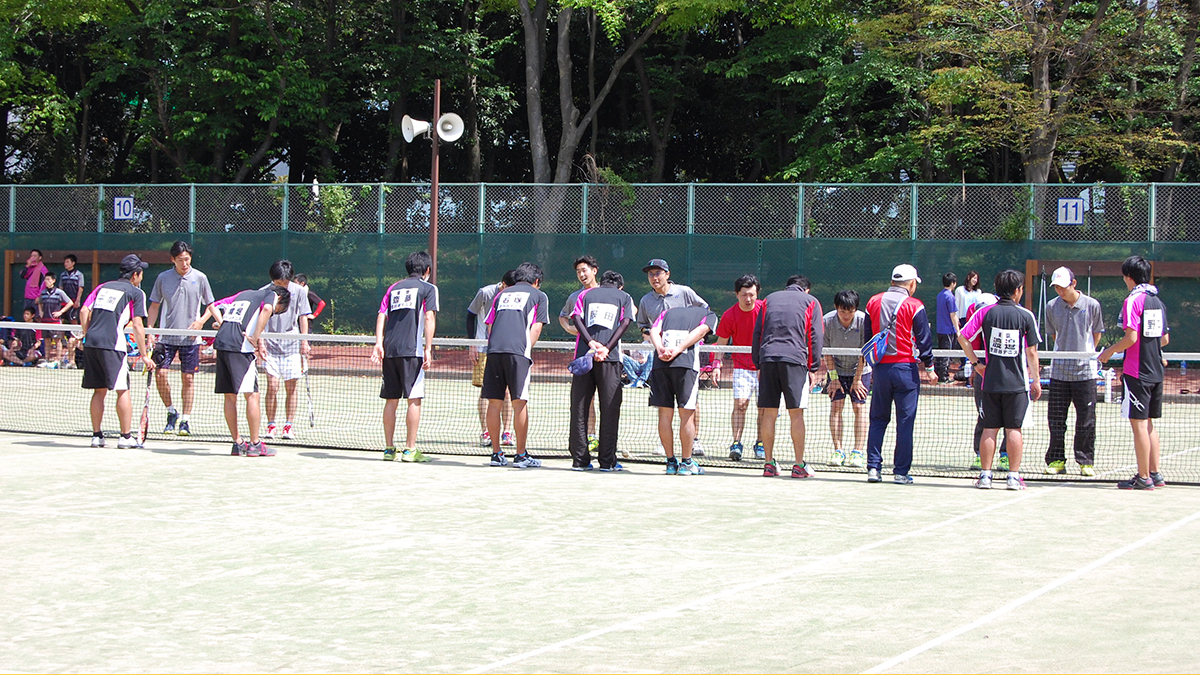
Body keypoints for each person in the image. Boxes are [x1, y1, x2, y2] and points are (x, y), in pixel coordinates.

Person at [958, 269, 1042, 490]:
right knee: (1014, 429)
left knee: (990, 428)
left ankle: (985, 477)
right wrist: (1036, 379)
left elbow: (962, 336)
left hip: (990, 382)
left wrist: (976, 364)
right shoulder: (1026, 315)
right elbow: (1032, 351)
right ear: (1017, 291)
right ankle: (1013, 477)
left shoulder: (985, 313)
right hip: (1017, 384)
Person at [1099, 255, 1169, 491]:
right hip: (1156, 370)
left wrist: (1108, 352)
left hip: (1137, 372)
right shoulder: (1158, 301)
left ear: (1127, 277)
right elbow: (1164, 339)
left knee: (1138, 424)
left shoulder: (1133, 301)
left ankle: (1142, 477)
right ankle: (1154, 474)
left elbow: (1131, 338)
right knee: (1148, 423)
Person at [863, 264, 937, 484]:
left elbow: (868, 337)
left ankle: (873, 469)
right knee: (905, 422)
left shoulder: (873, 302)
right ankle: (901, 472)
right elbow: (924, 340)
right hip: (906, 369)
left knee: (877, 419)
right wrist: (931, 369)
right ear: (912, 284)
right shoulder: (915, 305)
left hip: (881, 370)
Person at [79, 254, 154, 449]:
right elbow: (138, 325)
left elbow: (84, 311)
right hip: (113, 344)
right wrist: (144, 355)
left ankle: (96, 436)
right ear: (136, 275)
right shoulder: (136, 293)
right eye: (141, 273)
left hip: (92, 343)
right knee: (122, 390)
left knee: (99, 390)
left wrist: (88, 335)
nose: (142, 277)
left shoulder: (102, 287)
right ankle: (125, 437)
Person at [636, 258, 710, 456]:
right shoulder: (646, 301)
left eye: (658, 273)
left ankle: (694, 440)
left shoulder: (684, 292)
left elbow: (704, 311)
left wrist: (689, 336)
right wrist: (655, 339)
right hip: (661, 356)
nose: (654, 278)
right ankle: (665, 445)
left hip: (686, 355)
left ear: (667, 274)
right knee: (664, 405)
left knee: (691, 403)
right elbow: (642, 324)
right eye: (651, 274)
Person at [752, 275, 823, 479]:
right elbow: (815, 335)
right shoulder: (811, 302)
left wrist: (759, 363)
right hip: (795, 361)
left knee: (769, 413)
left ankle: (768, 464)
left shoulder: (769, 299)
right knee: (796, 414)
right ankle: (799, 465)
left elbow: (758, 332)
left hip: (768, 360)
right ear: (806, 289)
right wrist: (813, 366)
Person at [371, 251, 439, 462]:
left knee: (391, 400)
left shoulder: (393, 288)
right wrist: (428, 347)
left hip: (390, 350)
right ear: (427, 270)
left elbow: (382, 314)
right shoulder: (428, 288)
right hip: (412, 350)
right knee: (414, 399)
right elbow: (429, 317)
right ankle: (410, 450)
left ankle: (389, 449)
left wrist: (378, 343)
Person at [481, 262, 550, 468]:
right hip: (518, 353)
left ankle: (496, 454)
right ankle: (520, 456)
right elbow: (536, 328)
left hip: (494, 352)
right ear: (536, 281)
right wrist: (525, 350)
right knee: (519, 402)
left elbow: (490, 325)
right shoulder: (540, 296)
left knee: (494, 402)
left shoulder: (501, 295)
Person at [147, 241, 217, 436]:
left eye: (187, 259)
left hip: (191, 339)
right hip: (166, 337)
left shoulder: (200, 277)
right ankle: (171, 412)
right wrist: (150, 331)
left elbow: (211, 305)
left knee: (188, 378)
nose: (184, 263)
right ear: (172, 260)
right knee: (161, 375)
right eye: (180, 260)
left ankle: (185, 420)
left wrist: (201, 322)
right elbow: (154, 306)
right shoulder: (163, 278)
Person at [568, 270, 635, 471]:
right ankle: (607, 461)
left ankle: (580, 461)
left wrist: (591, 343)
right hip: (611, 359)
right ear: (620, 286)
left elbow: (576, 319)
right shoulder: (625, 297)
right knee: (610, 409)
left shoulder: (585, 294)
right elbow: (625, 323)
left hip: (583, 357)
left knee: (579, 410)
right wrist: (606, 348)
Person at [213, 284, 290, 457]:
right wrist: (256, 336)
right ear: (281, 300)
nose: (274, 313)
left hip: (222, 343)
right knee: (252, 395)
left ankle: (237, 443)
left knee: (230, 396)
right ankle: (255, 444)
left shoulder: (244, 293)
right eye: (279, 311)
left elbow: (214, 305)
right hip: (240, 348)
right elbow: (268, 308)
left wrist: (223, 324)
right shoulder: (271, 295)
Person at [1044, 266, 1105, 477]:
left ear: (1074, 284)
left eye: (1063, 287)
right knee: (1056, 419)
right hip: (1059, 372)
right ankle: (1056, 460)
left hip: (1085, 373)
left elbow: (1096, 334)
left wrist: (1085, 354)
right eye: (1057, 288)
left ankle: (1085, 461)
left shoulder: (1092, 305)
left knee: (1086, 420)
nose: (1060, 292)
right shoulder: (1051, 306)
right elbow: (1055, 336)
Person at [648, 303, 718, 475]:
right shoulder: (709, 314)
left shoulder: (666, 313)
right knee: (687, 415)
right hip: (686, 366)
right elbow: (701, 331)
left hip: (660, 364)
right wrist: (678, 350)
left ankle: (671, 463)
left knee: (665, 414)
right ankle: (686, 463)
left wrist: (661, 350)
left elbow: (653, 331)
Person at [713, 274, 766, 461]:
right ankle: (736, 443)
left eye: (752, 294)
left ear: (757, 294)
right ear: (736, 294)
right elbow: (721, 343)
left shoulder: (765, 311)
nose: (748, 299)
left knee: (764, 407)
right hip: (741, 367)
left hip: (763, 367)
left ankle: (761, 443)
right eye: (744, 294)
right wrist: (716, 366)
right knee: (740, 405)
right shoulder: (729, 315)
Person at [260, 260, 312, 440]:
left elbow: (304, 316)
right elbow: (259, 319)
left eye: (284, 282)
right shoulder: (263, 292)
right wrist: (260, 342)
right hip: (270, 345)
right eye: (277, 282)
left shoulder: (299, 291)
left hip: (291, 345)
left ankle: (288, 426)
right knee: (272, 387)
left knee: (291, 388)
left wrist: (304, 341)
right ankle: (271, 425)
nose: (280, 285)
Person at [467, 271, 515, 446]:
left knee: (507, 391)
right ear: (502, 284)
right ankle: (485, 432)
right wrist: (472, 344)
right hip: (483, 348)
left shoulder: (514, 297)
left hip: (504, 349)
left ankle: (507, 432)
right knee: (485, 392)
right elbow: (470, 315)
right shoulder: (485, 293)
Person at [823, 289, 870, 468]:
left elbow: (863, 354)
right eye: (842, 311)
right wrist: (834, 379)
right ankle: (838, 450)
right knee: (836, 406)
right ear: (836, 308)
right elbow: (826, 353)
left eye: (850, 311)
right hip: (836, 368)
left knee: (859, 407)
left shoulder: (864, 321)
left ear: (856, 309)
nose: (846, 315)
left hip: (860, 370)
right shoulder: (827, 321)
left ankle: (857, 452)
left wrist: (857, 380)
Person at [559, 255, 601, 452]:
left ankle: (606, 440)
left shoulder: (607, 293)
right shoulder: (574, 297)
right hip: (583, 354)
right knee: (585, 398)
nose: (582, 275)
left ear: (594, 270)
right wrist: (570, 329)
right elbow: (563, 316)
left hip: (606, 353)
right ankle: (588, 436)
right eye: (578, 272)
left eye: (584, 270)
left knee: (607, 397)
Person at [964, 292, 1009, 469]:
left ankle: (1005, 456)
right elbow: (968, 341)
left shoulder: (1005, 318)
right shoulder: (975, 316)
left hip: (1004, 376)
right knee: (984, 416)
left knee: (1009, 419)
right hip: (983, 374)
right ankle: (979, 455)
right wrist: (975, 365)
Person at [36, 274, 74, 367]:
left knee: (57, 341)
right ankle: (47, 359)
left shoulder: (59, 292)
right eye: (45, 280)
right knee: (47, 341)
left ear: (53, 280)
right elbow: (39, 303)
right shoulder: (43, 293)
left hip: (55, 321)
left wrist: (60, 312)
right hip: (45, 321)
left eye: (48, 280)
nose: (46, 281)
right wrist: (41, 311)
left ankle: (58, 360)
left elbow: (70, 303)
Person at [954, 271, 982, 378]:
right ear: (969, 277)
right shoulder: (960, 290)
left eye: (977, 278)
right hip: (963, 319)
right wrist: (956, 319)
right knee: (963, 340)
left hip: (975, 320)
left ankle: (973, 362)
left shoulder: (979, 292)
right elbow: (956, 305)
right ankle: (964, 363)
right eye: (973, 278)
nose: (975, 280)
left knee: (974, 341)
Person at [60, 254, 86, 364]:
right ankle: (62, 341)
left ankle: (74, 339)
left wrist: (77, 300)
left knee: (73, 323)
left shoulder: (79, 275)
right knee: (60, 322)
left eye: (68, 262)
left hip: (74, 304)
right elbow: (61, 288)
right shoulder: (63, 275)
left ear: (73, 263)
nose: (66, 264)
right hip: (64, 304)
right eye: (65, 262)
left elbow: (80, 288)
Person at [935, 272, 959, 383]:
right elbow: (952, 315)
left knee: (941, 353)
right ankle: (943, 377)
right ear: (953, 283)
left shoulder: (940, 295)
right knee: (947, 354)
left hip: (940, 329)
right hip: (948, 330)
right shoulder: (950, 297)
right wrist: (958, 330)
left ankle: (938, 374)